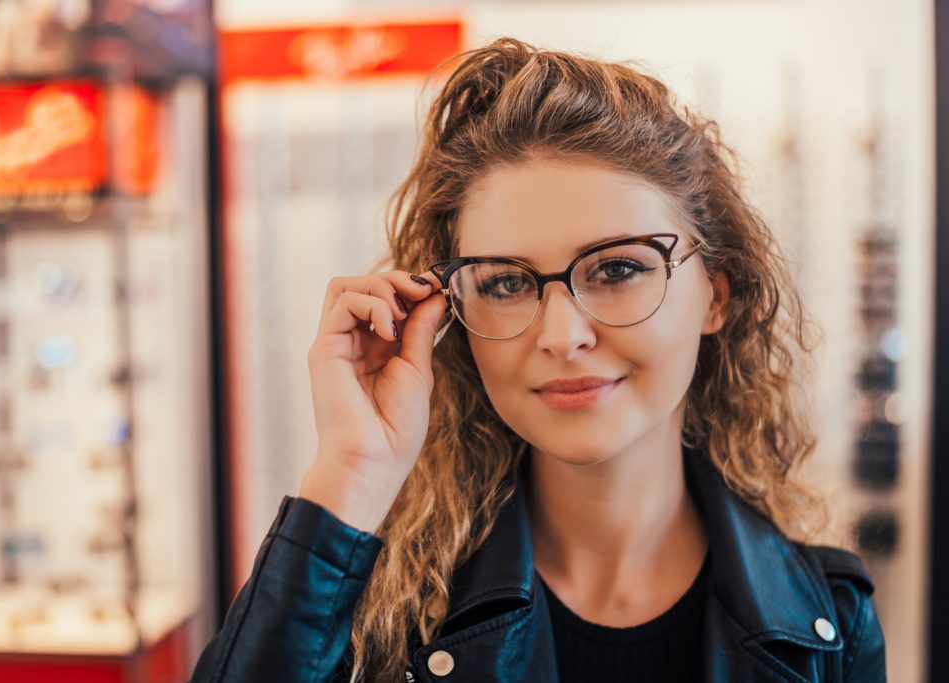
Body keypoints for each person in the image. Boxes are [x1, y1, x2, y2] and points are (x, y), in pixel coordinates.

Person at [189, 37, 887, 683]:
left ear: (716, 296)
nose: (561, 334)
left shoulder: (827, 626)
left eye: (617, 269)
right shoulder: (382, 619)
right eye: (505, 281)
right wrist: (351, 475)